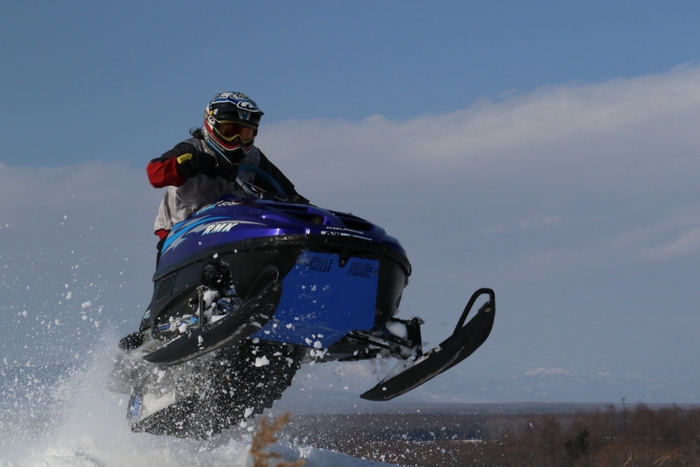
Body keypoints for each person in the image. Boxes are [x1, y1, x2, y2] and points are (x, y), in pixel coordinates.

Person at [147, 92, 307, 249]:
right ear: (212, 124)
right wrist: (191, 164)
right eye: (229, 132)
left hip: (230, 229)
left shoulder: (254, 158)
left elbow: (286, 192)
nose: (238, 141)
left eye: (245, 133)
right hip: (180, 232)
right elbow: (154, 173)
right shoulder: (193, 149)